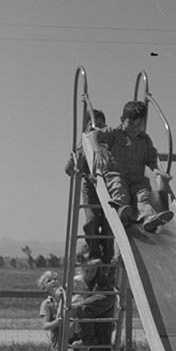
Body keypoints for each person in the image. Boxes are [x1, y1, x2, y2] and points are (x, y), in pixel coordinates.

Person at [94, 100, 174, 233]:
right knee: (119, 189)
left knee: (143, 197)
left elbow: (152, 159)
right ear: (122, 120)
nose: (134, 128)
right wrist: (97, 151)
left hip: (137, 180)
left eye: (139, 125)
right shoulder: (115, 133)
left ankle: (148, 218)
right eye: (130, 123)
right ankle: (122, 210)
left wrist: (158, 171)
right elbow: (93, 135)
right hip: (118, 175)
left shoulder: (145, 140)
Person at [65, 109, 113, 263]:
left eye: (100, 125)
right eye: (92, 126)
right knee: (92, 221)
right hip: (91, 189)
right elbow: (68, 169)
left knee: (108, 225)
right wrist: (75, 165)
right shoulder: (83, 147)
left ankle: (107, 257)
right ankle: (94, 253)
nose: (96, 129)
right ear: (85, 129)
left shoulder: (108, 145)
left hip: (108, 189)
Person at [67, 253, 116, 351]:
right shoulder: (77, 281)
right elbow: (67, 292)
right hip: (84, 317)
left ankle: (91, 346)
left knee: (90, 315)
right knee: (100, 325)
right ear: (81, 270)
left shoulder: (99, 277)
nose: (90, 274)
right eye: (87, 271)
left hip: (95, 306)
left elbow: (103, 262)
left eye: (92, 271)